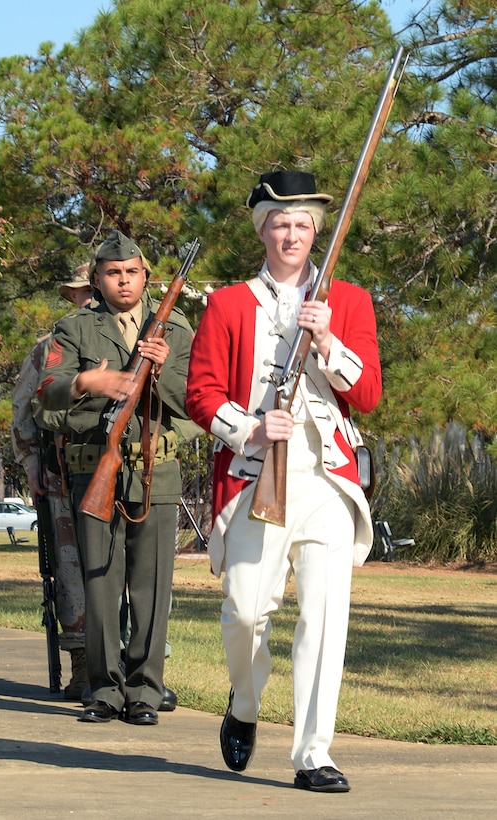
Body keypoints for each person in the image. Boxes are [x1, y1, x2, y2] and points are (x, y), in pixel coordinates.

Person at [186, 171, 382, 792]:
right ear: (262, 231)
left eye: (302, 224)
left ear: (316, 231)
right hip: (257, 474)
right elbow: (200, 394)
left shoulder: (348, 301)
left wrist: (328, 341)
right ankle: (245, 703)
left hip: (327, 479)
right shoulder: (228, 303)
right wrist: (247, 427)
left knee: (324, 619)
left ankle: (313, 753)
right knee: (245, 613)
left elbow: (369, 394)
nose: (291, 234)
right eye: (280, 223)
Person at [37, 230, 193, 724]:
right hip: (95, 468)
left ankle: (146, 691)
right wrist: (89, 381)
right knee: (101, 582)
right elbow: (47, 391)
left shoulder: (178, 329)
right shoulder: (75, 328)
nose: (123, 281)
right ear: (97, 279)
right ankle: (105, 690)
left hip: (156, 471)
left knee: (151, 585)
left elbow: (196, 400)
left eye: (131, 272)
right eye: (112, 273)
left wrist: (163, 371)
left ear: (145, 275)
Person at [11, 265, 92, 700]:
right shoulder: (49, 348)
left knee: (132, 569)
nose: (88, 299)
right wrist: (29, 464)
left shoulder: (136, 343)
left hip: (125, 473)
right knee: (70, 570)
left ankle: (140, 669)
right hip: (61, 476)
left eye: (91, 291)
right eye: (81, 293)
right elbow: (23, 406)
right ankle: (81, 666)